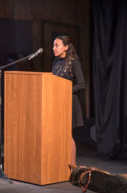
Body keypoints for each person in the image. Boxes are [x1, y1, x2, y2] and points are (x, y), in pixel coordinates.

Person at [52, 35, 85, 165]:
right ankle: (59, 163)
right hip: (55, 102)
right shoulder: (55, 62)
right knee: (56, 134)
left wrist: (64, 90)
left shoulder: (73, 62)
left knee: (66, 134)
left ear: (65, 47)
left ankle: (72, 166)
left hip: (69, 102)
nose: (53, 48)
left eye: (56, 45)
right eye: (53, 45)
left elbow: (81, 84)